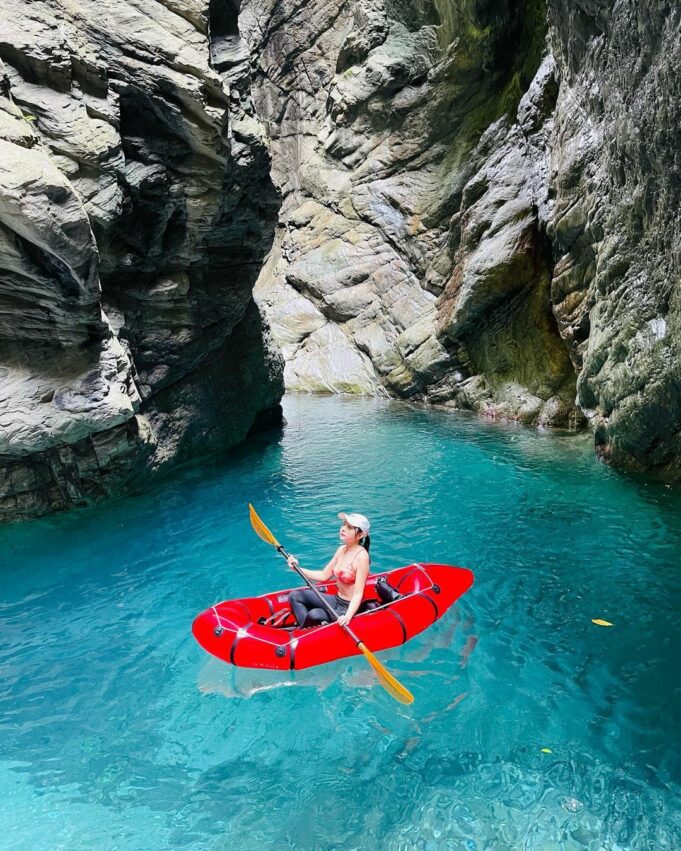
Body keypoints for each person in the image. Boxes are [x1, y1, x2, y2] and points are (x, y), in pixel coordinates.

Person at [287, 512, 371, 628]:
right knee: (295, 596)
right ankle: (304, 630)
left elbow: (358, 594)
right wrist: (297, 569)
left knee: (315, 614)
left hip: (349, 607)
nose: (343, 529)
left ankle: (304, 631)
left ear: (361, 535)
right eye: (344, 524)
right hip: (337, 600)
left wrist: (347, 616)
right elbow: (323, 575)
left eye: (349, 527)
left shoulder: (362, 557)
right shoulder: (341, 549)